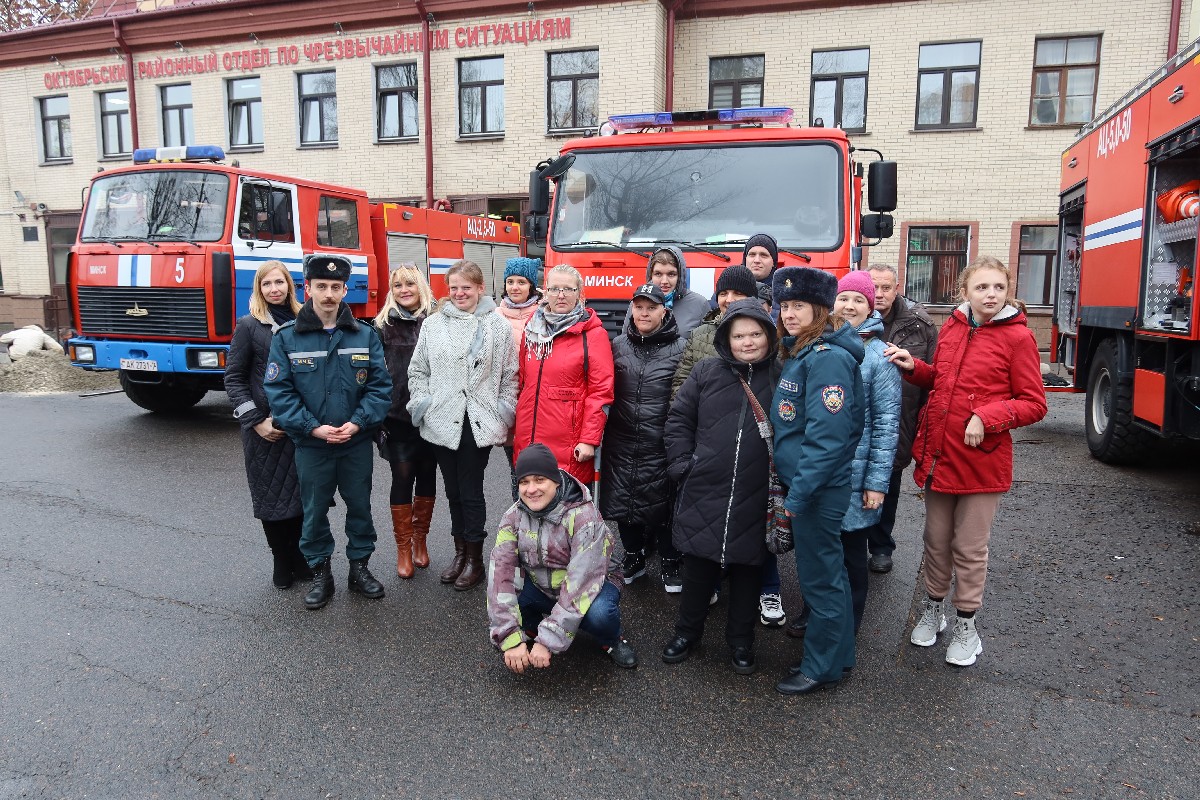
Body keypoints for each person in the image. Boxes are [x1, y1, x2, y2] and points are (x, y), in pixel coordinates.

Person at [885, 256, 1047, 667]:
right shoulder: (954, 326)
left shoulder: (1019, 338)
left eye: (997, 287)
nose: (990, 294)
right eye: (982, 287)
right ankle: (934, 610)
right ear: (965, 292)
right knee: (935, 544)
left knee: (970, 550)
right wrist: (914, 367)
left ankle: (967, 625)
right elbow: (941, 378)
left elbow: (1034, 403)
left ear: (1007, 291)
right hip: (940, 457)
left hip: (982, 463)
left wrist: (986, 417)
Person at [264, 254, 393, 610]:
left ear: (345, 290)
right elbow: (279, 392)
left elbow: (381, 388)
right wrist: (314, 429)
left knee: (360, 508)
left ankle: (359, 569)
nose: (328, 294)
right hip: (312, 445)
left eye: (336, 287)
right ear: (308, 288)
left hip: (355, 442)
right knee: (314, 511)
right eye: (321, 286)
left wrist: (358, 423)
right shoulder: (288, 339)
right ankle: (321, 574)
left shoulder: (364, 335)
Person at [660, 299, 780, 676]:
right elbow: (679, 418)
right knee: (698, 570)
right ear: (726, 338)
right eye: (739, 335)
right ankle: (686, 633)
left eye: (755, 334)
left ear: (768, 335)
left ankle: (741, 641)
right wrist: (684, 465)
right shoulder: (707, 371)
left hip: (755, 492)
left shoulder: (781, 376)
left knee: (747, 573)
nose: (747, 342)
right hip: (705, 486)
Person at [770, 266, 865, 695]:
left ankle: (821, 666)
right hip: (808, 485)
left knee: (820, 580)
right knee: (831, 575)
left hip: (816, 490)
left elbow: (827, 440)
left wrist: (798, 497)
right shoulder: (806, 352)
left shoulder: (827, 359)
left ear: (820, 309)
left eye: (799, 306)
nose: (789, 314)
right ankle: (838, 656)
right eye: (785, 305)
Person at [407, 259, 518, 591]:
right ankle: (459, 553)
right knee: (452, 491)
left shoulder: (497, 327)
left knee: (470, 492)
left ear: (480, 289)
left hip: (478, 422)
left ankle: (474, 559)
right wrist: (422, 403)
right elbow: (418, 371)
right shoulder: (433, 325)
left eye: (466, 288)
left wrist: (503, 409)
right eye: (453, 288)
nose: (459, 294)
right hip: (441, 419)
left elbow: (510, 376)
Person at [488, 442, 638, 671]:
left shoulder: (585, 518)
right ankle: (529, 628)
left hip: (592, 585)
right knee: (509, 591)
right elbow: (501, 574)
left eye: (540, 480)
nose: (531, 489)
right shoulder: (512, 517)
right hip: (542, 583)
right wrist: (509, 638)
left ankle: (611, 640)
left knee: (600, 615)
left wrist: (548, 640)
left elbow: (581, 583)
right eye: (524, 482)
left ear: (556, 482)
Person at [224, 260, 310, 589]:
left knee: (302, 497)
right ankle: (280, 558)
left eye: (280, 282)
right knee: (271, 497)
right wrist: (255, 420)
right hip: (265, 430)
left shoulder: (306, 322)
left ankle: (301, 558)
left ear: (290, 285)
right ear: (258, 289)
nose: (274, 289)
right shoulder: (249, 326)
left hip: (299, 427)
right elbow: (233, 379)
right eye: (266, 284)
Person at [602, 283, 687, 592]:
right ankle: (634, 556)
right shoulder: (618, 344)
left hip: (661, 441)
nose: (644, 312)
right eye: (639, 306)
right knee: (624, 501)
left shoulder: (680, 347)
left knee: (663, 504)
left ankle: (669, 558)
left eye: (651, 307)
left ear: (664, 310)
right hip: (622, 439)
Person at [832, 270, 901, 633]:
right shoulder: (821, 345)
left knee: (852, 556)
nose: (849, 306)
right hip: (825, 474)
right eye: (844, 298)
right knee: (823, 555)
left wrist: (876, 483)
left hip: (858, 478)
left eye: (859, 300)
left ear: (871, 306)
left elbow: (887, 426)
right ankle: (818, 613)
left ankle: (850, 625)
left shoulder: (879, 356)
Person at [862, 264, 938, 574]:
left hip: (901, 418)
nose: (879, 294)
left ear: (897, 288)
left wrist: (921, 424)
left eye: (886, 287)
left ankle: (881, 546)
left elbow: (934, 377)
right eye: (874, 287)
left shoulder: (920, 325)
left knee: (888, 485)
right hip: (860, 416)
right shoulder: (850, 315)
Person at [513, 264, 614, 487]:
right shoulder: (532, 328)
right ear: (545, 291)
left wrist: (589, 439)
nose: (560, 295)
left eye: (568, 289)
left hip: (568, 444)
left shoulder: (593, 335)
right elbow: (522, 382)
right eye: (554, 289)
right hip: (528, 437)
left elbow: (601, 392)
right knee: (528, 511)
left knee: (565, 516)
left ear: (579, 294)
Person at [373, 264, 439, 579]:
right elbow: (372, 375)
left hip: (432, 417)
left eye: (409, 284)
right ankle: (403, 548)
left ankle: (420, 541)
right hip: (396, 418)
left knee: (427, 477)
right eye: (398, 285)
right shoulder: (381, 326)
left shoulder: (437, 321)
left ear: (420, 287)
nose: (404, 290)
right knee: (402, 479)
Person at [671, 264, 757, 398]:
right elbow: (681, 387)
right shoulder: (698, 336)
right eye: (723, 293)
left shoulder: (766, 335)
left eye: (738, 293)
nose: (729, 300)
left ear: (752, 298)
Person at [620, 247, 710, 336]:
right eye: (658, 274)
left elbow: (708, 346)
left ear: (680, 276)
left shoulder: (700, 304)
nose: (664, 281)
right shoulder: (637, 302)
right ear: (650, 275)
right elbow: (625, 341)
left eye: (671, 274)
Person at [497, 256, 543, 347]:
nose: (514, 288)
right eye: (510, 282)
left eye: (521, 282)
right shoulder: (497, 316)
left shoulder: (543, 315)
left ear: (531, 286)